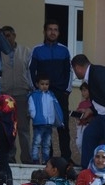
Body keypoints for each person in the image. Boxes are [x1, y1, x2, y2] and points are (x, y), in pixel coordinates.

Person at [29, 19, 72, 163]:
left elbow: (69, 72)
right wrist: (36, 90)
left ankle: (66, 158)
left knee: (63, 126)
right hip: (43, 94)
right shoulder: (37, 50)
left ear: (59, 32)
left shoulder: (64, 50)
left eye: (55, 29)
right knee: (46, 126)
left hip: (60, 93)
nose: (52, 32)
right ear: (45, 31)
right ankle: (50, 160)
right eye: (50, 29)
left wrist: (66, 90)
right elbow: (30, 70)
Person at [0, 25, 32, 164]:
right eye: (4, 36)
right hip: (5, 95)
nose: (7, 38)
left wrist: (31, 91)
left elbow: (30, 73)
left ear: (14, 35)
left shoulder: (25, 51)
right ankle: (10, 158)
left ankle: (27, 159)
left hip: (22, 94)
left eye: (9, 35)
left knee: (23, 129)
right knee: (8, 128)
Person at [29, 74, 64, 165]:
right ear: (37, 84)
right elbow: (31, 107)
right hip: (39, 123)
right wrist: (34, 116)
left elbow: (56, 108)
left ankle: (46, 160)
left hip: (49, 124)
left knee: (47, 144)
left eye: (46, 84)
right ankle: (35, 159)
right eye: (42, 84)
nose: (44, 86)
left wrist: (58, 120)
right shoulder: (34, 95)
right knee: (37, 142)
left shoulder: (51, 95)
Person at [73, 82, 92, 155]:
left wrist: (86, 111)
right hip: (81, 126)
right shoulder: (82, 103)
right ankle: (83, 159)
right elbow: (79, 113)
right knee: (79, 143)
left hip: (89, 125)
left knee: (88, 143)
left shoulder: (94, 103)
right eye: (82, 91)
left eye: (85, 90)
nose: (83, 93)